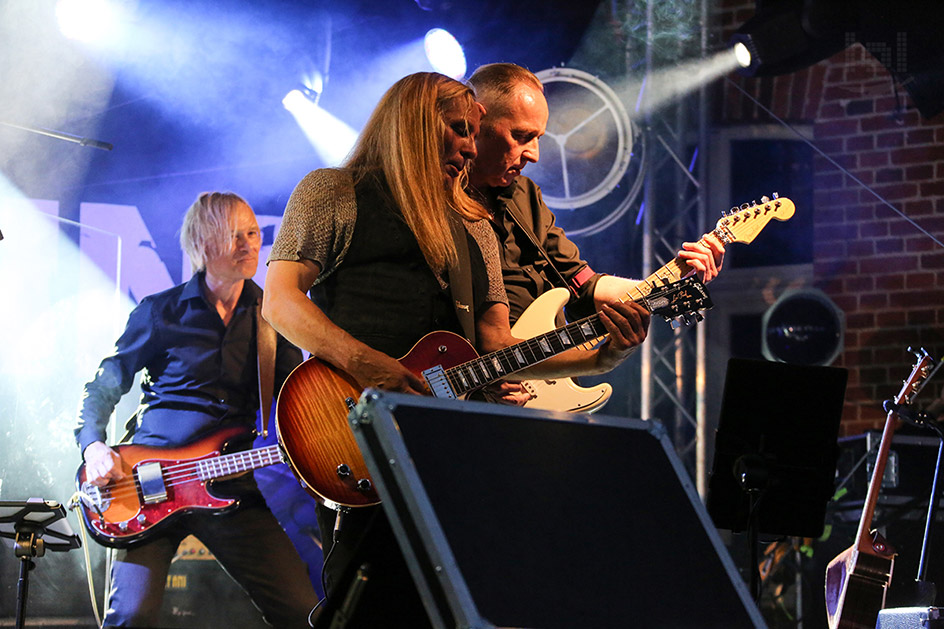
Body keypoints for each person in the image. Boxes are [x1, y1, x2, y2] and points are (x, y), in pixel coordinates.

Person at [263, 71, 649, 626]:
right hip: (350, 427)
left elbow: (498, 345)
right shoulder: (334, 191)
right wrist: (369, 365)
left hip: (448, 441)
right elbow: (279, 303)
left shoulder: (478, 227)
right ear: (416, 124)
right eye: (460, 130)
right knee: (369, 607)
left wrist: (599, 358)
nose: (471, 146)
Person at [75, 192, 319, 628]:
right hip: (148, 483)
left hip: (232, 485)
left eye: (252, 233)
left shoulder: (273, 317)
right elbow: (104, 384)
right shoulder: (159, 313)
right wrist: (93, 446)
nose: (248, 245)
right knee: (130, 617)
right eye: (234, 235)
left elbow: (292, 403)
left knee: (302, 613)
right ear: (203, 244)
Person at [467, 62, 725, 330]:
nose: (534, 154)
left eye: (538, 139)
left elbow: (584, 286)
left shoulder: (525, 196)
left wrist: (671, 284)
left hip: (540, 369)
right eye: (521, 136)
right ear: (477, 120)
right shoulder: (435, 199)